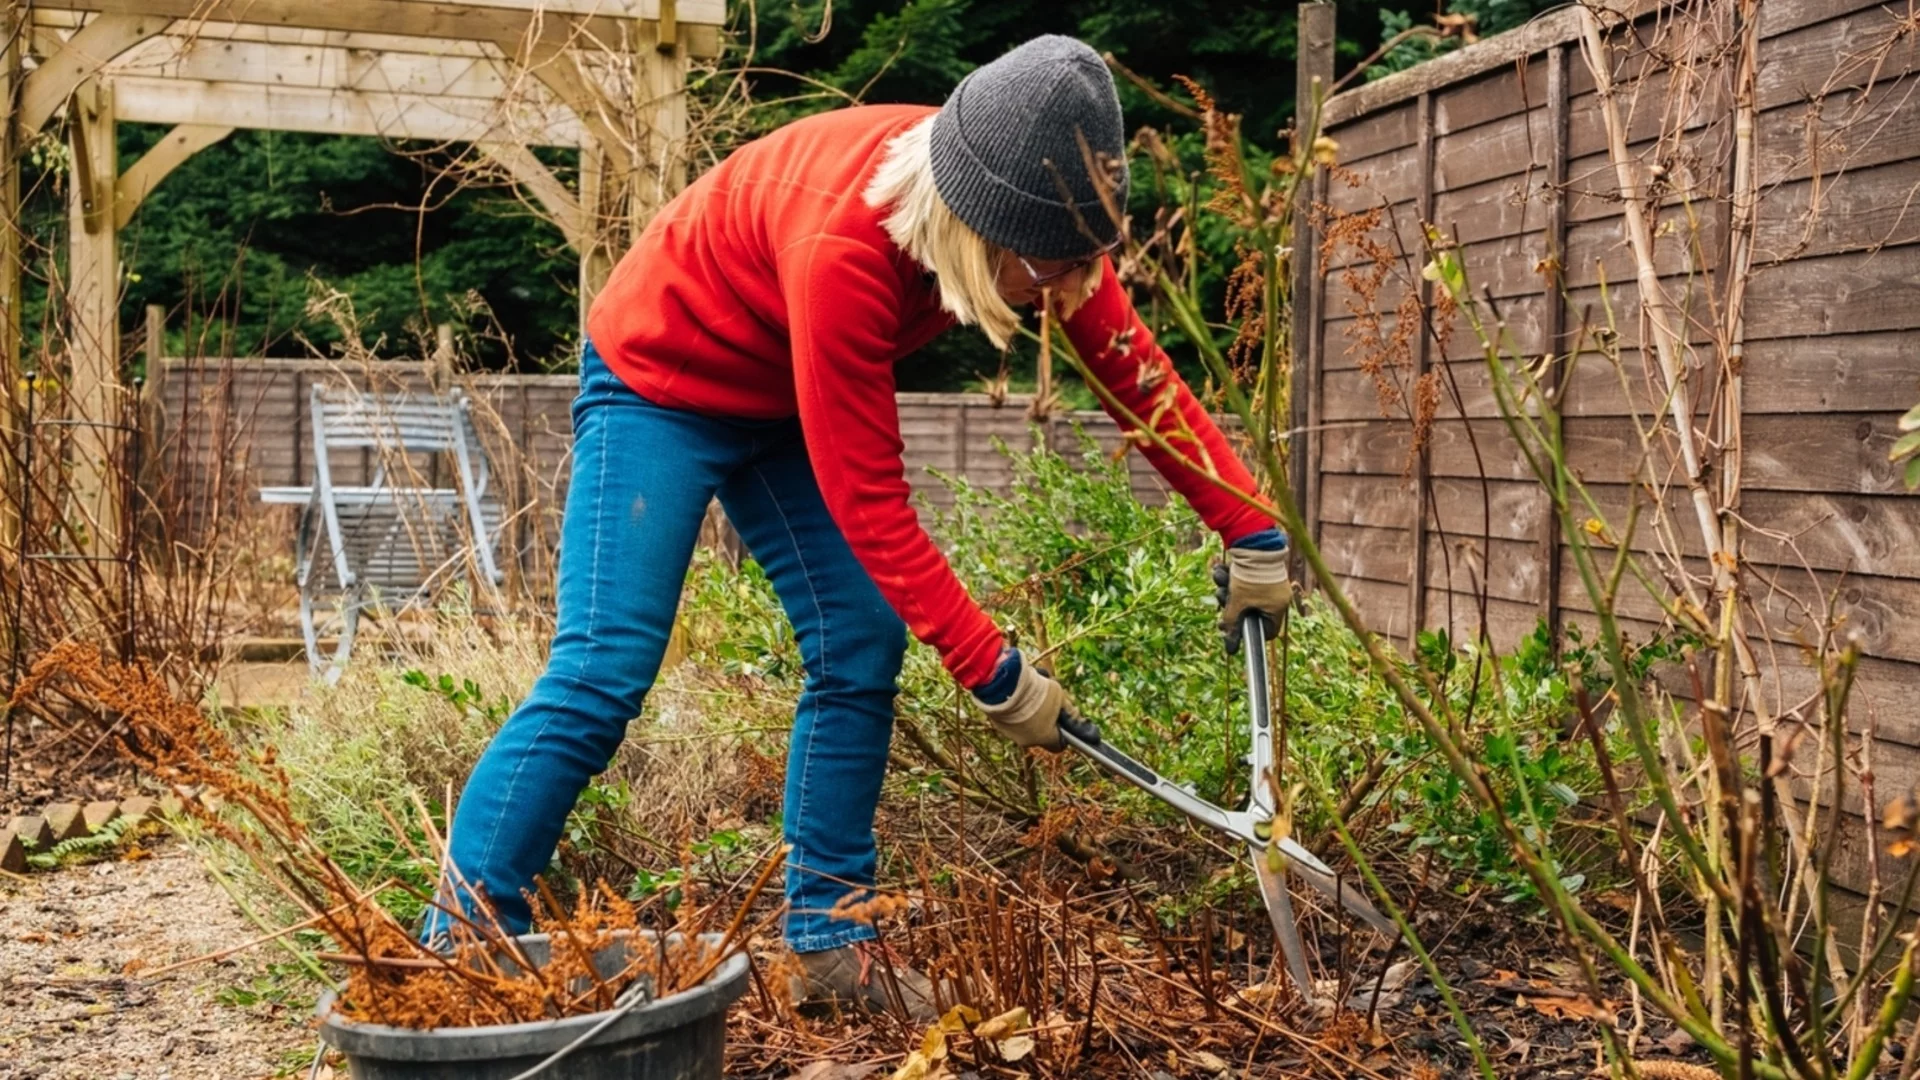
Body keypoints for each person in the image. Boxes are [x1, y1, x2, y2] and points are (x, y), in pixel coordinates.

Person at [431, 34, 1293, 1019]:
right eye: (1054, 265)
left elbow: (1136, 374)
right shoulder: (843, 246)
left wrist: (1249, 528)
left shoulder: (1041, 219)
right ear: (984, 231)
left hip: (781, 395)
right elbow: (871, 503)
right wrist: (994, 671)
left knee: (860, 641)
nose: (1073, 287)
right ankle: (456, 949)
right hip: (660, 383)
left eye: (1088, 257)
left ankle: (832, 940)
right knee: (603, 667)